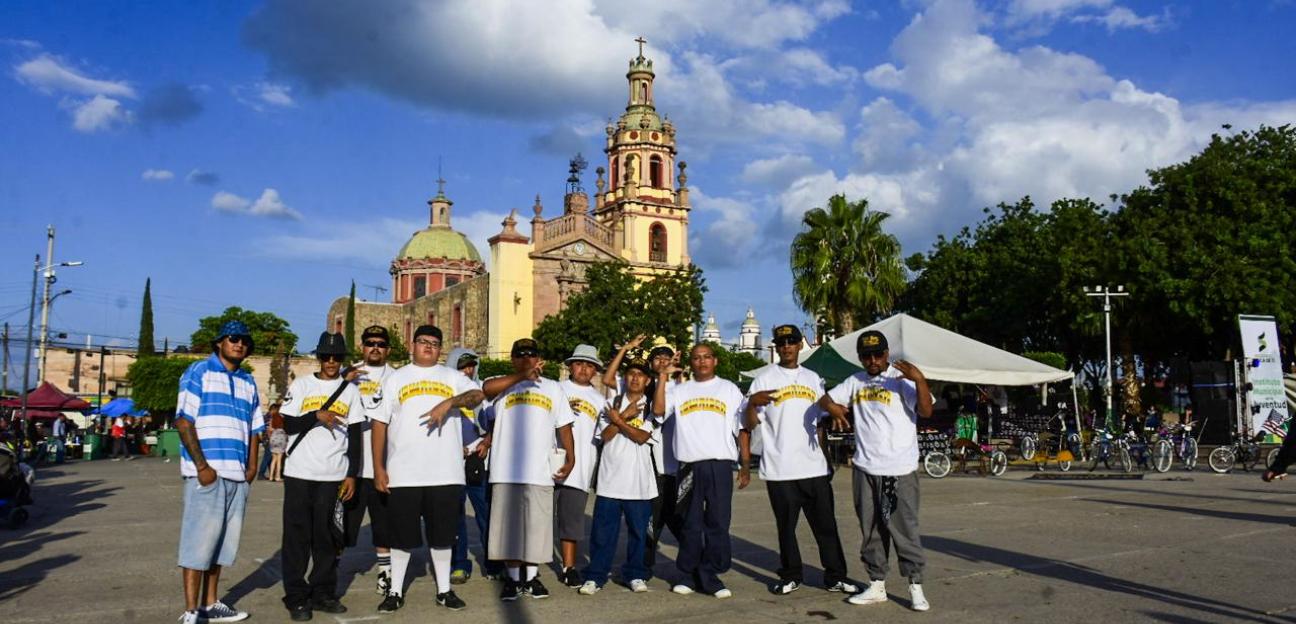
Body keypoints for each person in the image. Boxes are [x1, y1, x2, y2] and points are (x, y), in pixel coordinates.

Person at [818, 330, 934, 612]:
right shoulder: (855, 381)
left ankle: (915, 586)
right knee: (870, 529)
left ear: (886, 354)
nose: (873, 360)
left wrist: (919, 380)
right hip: (865, 467)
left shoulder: (899, 379)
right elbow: (823, 399)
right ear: (860, 358)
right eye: (867, 356)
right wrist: (833, 408)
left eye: (878, 354)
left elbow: (926, 411)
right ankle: (877, 583)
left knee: (903, 528)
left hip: (898, 469)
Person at [372, 325, 484, 613]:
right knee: (401, 537)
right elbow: (379, 424)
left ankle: (444, 591)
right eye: (423, 342)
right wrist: (378, 468)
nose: (429, 347)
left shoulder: (452, 377)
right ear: (413, 344)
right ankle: (394, 591)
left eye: (435, 343)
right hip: (404, 472)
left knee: (443, 536)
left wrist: (450, 402)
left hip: (445, 472)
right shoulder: (396, 378)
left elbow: (477, 396)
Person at [743, 325, 857, 596]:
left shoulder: (813, 378)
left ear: (798, 345)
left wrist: (826, 458)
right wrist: (751, 404)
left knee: (826, 526)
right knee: (786, 529)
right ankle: (791, 575)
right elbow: (748, 424)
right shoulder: (763, 379)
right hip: (780, 468)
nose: (787, 347)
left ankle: (835, 577)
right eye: (781, 343)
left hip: (814, 467)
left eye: (792, 342)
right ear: (776, 347)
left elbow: (818, 423)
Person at [174, 320, 264, 624]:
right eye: (233, 338)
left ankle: (211, 604)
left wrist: (252, 466)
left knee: (222, 545)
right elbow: (184, 421)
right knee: (197, 544)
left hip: (237, 475)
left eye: (244, 341)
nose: (239, 344)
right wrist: (202, 466)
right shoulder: (199, 372)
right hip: (208, 474)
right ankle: (191, 611)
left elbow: (255, 429)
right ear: (219, 343)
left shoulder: (248, 381)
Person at [481, 338, 576, 602]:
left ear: (538, 357)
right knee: (508, 531)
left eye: (531, 354)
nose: (526, 358)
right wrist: (522, 375)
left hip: (540, 470)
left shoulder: (553, 388)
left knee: (537, 530)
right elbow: (486, 389)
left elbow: (564, 426)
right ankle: (512, 580)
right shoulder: (503, 383)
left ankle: (532, 578)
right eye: (520, 355)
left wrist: (571, 457)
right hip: (505, 470)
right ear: (513, 359)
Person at [279, 332, 364, 621]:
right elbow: (287, 423)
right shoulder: (302, 384)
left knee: (327, 538)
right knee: (297, 537)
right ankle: (296, 596)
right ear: (318, 357)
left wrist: (352, 474)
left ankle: (323, 593)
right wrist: (316, 415)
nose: (331, 362)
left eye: (337, 357)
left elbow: (355, 436)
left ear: (342, 359)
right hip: (300, 473)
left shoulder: (350, 391)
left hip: (333, 475)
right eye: (326, 356)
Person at [655, 343, 746, 599]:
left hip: (719, 465)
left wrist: (745, 463)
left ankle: (710, 574)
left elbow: (742, 426)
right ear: (691, 363)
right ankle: (686, 574)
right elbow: (659, 410)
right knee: (691, 524)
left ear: (715, 361)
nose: (702, 361)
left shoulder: (728, 388)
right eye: (696, 358)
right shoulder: (681, 390)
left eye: (707, 357)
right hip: (689, 466)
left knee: (718, 522)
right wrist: (663, 376)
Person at [579, 349, 657, 595]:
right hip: (610, 480)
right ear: (625, 377)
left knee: (638, 533)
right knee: (603, 533)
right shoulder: (612, 403)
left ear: (647, 380)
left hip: (639, 482)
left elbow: (643, 437)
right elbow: (605, 436)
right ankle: (596, 576)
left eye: (640, 375)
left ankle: (635, 574)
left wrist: (620, 421)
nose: (635, 378)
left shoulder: (652, 406)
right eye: (631, 373)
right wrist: (623, 416)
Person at [605, 335, 684, 572]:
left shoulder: (680, 387)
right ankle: (643, 566)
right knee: (651, 522)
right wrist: (626, 348)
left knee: (676, 519)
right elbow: (609, 378)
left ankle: (695, 561)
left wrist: (678, 374)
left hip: (676, 465)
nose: (662, 361)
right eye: (657, 358)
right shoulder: (643, 388)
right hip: (653, 465)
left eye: (666, 357)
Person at [341, 325, 398, 596]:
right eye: (370, 342)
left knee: (384, 525)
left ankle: (385, 575)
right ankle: (330, 576)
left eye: (380, 343)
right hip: (348, 467)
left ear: (387, 349)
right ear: (362, 346)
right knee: (341, 526)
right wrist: (344, 380)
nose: (375, 347)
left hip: (382, 467)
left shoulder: (396, 377)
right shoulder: (347, 374)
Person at [447, 346, 504, 584]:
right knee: (455, 516)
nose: (467, 370)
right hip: (452, 464)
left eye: (471, 365)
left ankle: (493, 563)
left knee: (487, 515)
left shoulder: (484, 391)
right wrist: (451, 447)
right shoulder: (445, 392)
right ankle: (459, 564)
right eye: (462, 366)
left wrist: (487, 442)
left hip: (480, 462)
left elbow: (497, 422)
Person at [555, 344, 604, 587]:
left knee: (571, 522)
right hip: (549, 464)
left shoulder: (600, 399)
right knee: (538, 519)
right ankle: (525, 568)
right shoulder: (557, 390)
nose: (584, 368)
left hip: (580, 468)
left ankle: (568, 566)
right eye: (579, 363)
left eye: (589, 365)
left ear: (595, 369)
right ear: (570, 366)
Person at [268, 416, 287, 482]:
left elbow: (270, 429)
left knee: (273, 459)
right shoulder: (283, 421)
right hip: (281, 440)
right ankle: (277, 476)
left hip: (273, 439)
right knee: (279, 460)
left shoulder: (272, 419)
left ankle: (271, 476)